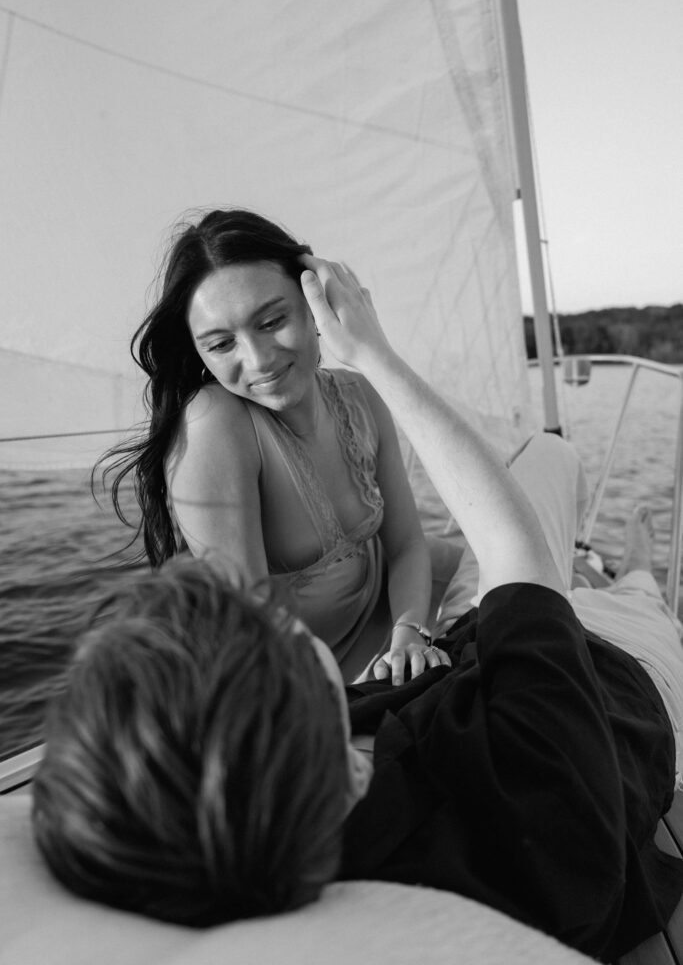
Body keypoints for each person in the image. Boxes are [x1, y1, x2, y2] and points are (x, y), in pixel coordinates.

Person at [35, 259, 683, 959]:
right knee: (565, 496)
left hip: (459, 657)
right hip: (617, 668)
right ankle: (637, 576)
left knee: (549, 524)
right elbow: (515, 550)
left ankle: (601, 577)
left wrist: (409, 630)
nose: (249, 618)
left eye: (272, 320)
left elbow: (416, 551)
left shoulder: (321, 798)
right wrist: (376, 354)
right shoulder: (537, 787)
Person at [102, 208, 447, 684]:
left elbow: (407, 544)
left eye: (271, 321)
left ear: (314, 303)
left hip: (394, 617)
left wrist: (410, 634)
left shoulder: (361, 394)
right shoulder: (213, 422)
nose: (258, 360)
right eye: (221, 344)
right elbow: (253, 630)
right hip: (294, 670)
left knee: (521, 540)